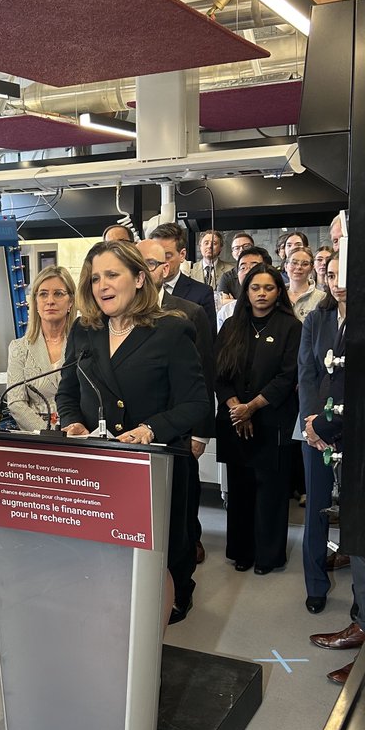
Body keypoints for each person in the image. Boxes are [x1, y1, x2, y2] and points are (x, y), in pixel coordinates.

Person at [56, 241, 209, 625]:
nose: (102, 285)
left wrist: (150, 429)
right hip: (104, 466)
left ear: (140, 279)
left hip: (157, 466)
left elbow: (197, 404)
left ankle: (168, 609)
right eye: (95, 278)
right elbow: (67, 391)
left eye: (112, 275)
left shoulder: (171, 331)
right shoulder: (84, 331)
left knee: (164, 560)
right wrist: (71, 422)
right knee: (111, 558)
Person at [303, 289, 365, 685]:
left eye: (342, 244)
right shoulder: (338, 313)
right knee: (359, 545)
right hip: (346, 444)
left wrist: (321, 427)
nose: (335, 263)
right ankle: (363, 624)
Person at [215, 264, 301, 574]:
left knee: (271, 492)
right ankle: (242, 551)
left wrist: (252, 407)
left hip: (272, 419)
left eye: (268, 288)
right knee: (240, 490)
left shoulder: (291, 327)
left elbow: (287, 376)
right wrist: (237, 407)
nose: (261, 293)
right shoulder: (231, 326)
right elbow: (218, 373)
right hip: (234, 419)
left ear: (279, 292)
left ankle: (268, 556)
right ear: (246, 292)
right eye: (255, 288)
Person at [140, 237, 216, 575]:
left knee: (180, 508)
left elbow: (206, 375)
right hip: (135, 434)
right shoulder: (117, 317)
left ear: (165, 268)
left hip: (179, 433)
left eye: (152, 264)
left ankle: (181, 585)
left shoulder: (188, 311)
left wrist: (201, 433)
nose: (143, 270)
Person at [298, 253, 343, 615]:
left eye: (341, 273)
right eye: (329, 274)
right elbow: (306, 373)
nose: (335, 281)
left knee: (357, 509)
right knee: (315, 508)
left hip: (351, 428)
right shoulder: (316, 318)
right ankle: (315, 583)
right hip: (315, 431)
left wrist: (329, 425)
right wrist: (312, 424)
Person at [5, 265, 76, 432]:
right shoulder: (19, 348)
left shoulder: (85, 345)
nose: (50, 301)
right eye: (43, 294)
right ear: (35, 302)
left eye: (58, 293)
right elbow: (16, 403)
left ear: (71, 302)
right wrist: (48, 433)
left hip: (78, 435)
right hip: (37, 439)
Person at [149, 222, 216, 336]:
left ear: (182, 255)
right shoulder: (138, 291)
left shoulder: (202, 294)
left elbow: (206, 345)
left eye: (167, 256)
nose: (159, 262)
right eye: (155, 256)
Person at [216, 245, 272, 329]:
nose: (247, 271)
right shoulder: (227, 312)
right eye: (243, 267)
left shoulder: (280, 312)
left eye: (254, 266)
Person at [284, 247, 325, 321]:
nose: (299, 267)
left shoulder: (321, 298)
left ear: (312, 268)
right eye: (294, 263)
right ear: (286, 266)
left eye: (305, 264)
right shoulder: (278, 295)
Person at [217, 233, 254, 300]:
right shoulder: (227, 277)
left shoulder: (263, 271)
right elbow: (222, 302)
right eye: (237, 248)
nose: (241, 250)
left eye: (246, 246)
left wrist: (232, 302)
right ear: (233, 254)